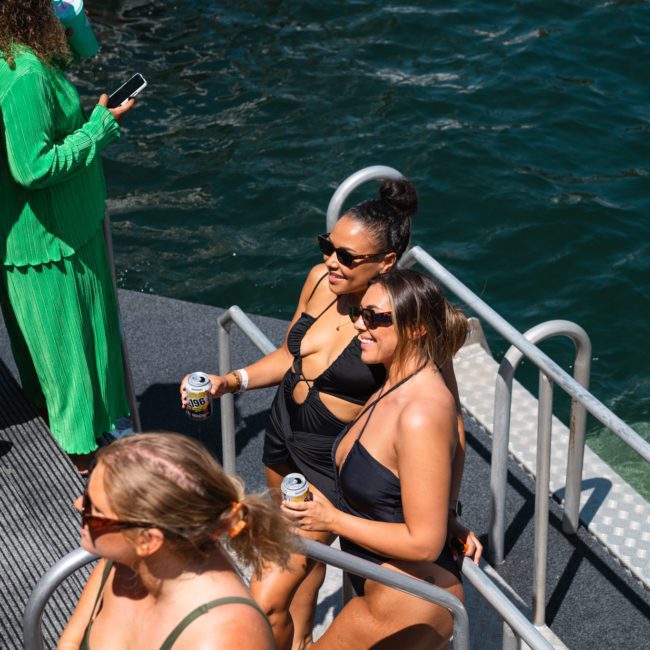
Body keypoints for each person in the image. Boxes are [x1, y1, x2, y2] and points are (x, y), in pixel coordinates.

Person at [180, 177, 481, 649]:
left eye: (346, 256)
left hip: (334, 463)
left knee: (274, 590)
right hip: (285, 437)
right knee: (298, 582)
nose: (330, 261)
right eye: (328, 246)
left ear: (386, 263)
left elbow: (451, 430)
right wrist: (230, 382)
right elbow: (290, 356)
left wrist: (445, 515)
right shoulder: (323, 283)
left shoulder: (402, 323)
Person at [283, 269, 468, 649]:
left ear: (416, 328)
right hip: (382, 582)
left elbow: (424, 544)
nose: (360, 327)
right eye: (359, 314)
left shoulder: (421, 412)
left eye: (374, 318)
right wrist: (446, 511)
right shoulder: (392, 380)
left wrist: (331, 520)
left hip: (408, 599)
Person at [0, 0, 133, 472]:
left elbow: (81, 53)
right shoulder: (23, 74)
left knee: (65, 350)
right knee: (69, 356)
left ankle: (84, 432)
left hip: (63, 232)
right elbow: (32, 168)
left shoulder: (25, 52)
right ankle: (85, 460)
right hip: (49, 244)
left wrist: (72, 16)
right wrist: (98, 129)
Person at [59, 432, 293, 649]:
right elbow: (70, 642)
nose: (78, 504)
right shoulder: (124, 558)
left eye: (93, 509)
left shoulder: (225, 636)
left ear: (148, 540)